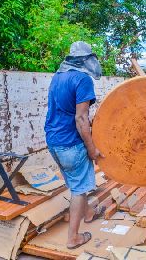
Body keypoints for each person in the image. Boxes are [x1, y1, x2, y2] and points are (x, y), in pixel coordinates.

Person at [44, 41, 105, 249]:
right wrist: (91, 148)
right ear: (87, 60)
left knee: (75, 181)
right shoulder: (83, 79)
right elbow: (81, 119)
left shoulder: (58, 77)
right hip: (71, 142)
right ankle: (73, 238)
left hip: (53, 140)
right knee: (79, 189)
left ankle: (88, 213)